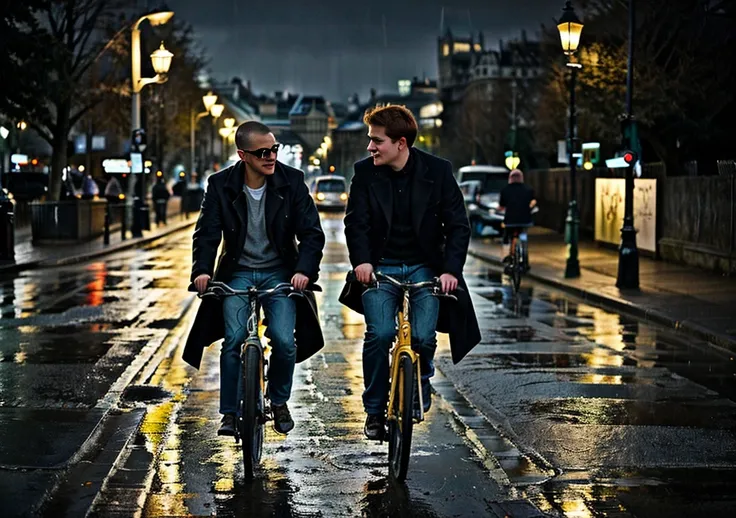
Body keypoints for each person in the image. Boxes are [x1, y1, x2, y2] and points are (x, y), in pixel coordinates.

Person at [339, 105, 481, 440]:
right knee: (379, 335)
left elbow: (458, 226)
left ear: (401, 143)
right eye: (370, 140)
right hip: (380, 267)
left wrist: (450, 271)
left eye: (377, 141)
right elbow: (355, 223)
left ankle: (423, 377)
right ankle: (374, 410)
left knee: (421, 338)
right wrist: (361, 262)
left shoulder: (439, 172)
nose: (370, 147)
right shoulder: (365, 173)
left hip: (425, 268)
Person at [183, 121, 326, 436]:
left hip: (280, 274)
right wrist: (203, 271)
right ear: (242, 155)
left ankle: (278, 401)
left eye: (274, 149)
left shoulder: (292, 182)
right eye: (262, 152)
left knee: (285, 340)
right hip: (237, 272)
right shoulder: (221, 185)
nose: (271, 156)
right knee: (233, 340)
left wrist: (303, 271)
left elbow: (312, 234)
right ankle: (230, 413)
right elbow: (207, 231)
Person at [498, 169, 536, 270]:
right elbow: (532, 202)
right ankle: (524, 258)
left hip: (510, 220)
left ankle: (507, 257)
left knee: (507, 238)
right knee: (523, 237)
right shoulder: (528, 189)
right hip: (525, 220)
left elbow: (501, 206)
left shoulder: (505, 190)